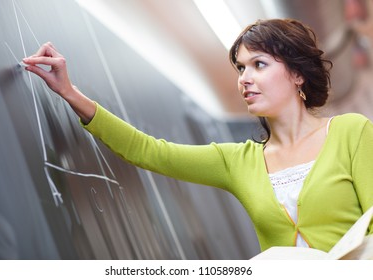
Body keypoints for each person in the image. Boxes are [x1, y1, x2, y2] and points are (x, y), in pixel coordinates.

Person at [23, 18, 373, 253]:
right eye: (241, 68)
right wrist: (70, 93)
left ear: (297, 75)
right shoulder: (237, 162)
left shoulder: (350, 132)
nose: (244, 78)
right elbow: (148, 151)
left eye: (259, 65)